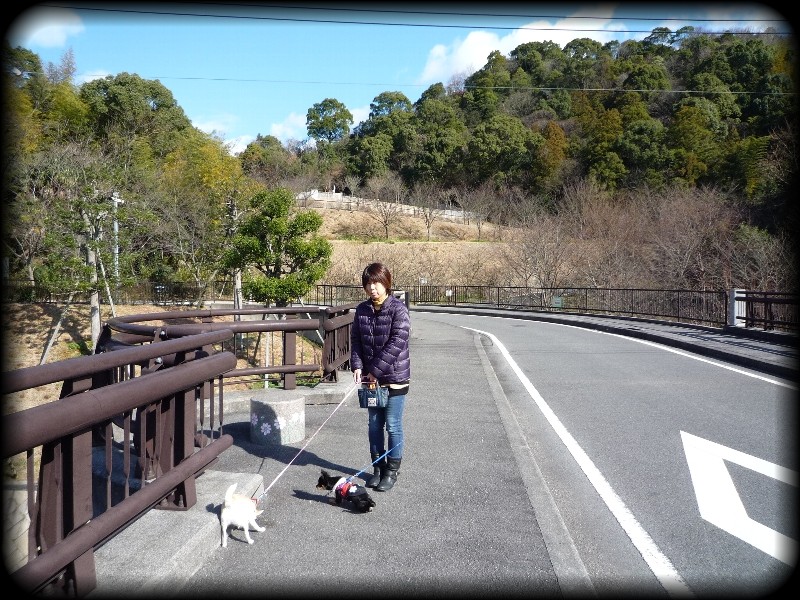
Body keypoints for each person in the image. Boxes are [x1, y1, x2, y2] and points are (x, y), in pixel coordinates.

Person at [350, 262, 411, 492]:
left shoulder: (398, 309)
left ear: (386, 283)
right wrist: (357, 365)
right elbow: (355, 341)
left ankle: (392, 471)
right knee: (374, 425)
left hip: (395, 377)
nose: (372, 288)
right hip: (371, 379)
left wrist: (373, 370)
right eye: (368, 284)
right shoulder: (362, 310)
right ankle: (378, 468)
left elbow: (398, 342)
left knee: (393, 425)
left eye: (376, 283)